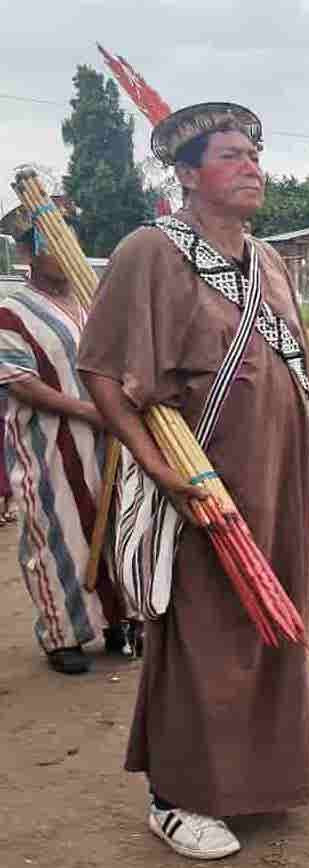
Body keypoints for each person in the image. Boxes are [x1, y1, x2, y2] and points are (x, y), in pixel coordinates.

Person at [78, 103, 309, 860]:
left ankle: (265, 768)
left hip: (279, 469)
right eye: (232, 155)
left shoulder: (268, 259)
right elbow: (102, 371)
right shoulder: (150, 250)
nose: (252, 167)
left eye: (256, 154)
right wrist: (160, 470)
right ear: (186, 174)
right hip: (199, 476)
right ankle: (176, 796)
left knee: (275, 614)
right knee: (202, 629)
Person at [0, 202, 126, 674]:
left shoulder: (94, 301)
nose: (64, 251)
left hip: (109, 441)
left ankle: (118, 622)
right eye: (53, 242)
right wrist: (90, 412)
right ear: (28, 253)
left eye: (70, 239)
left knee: (114, 527)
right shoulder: (11, 313)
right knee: (58, 534)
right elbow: (21, 382)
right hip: (50, 443)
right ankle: (63, 635)